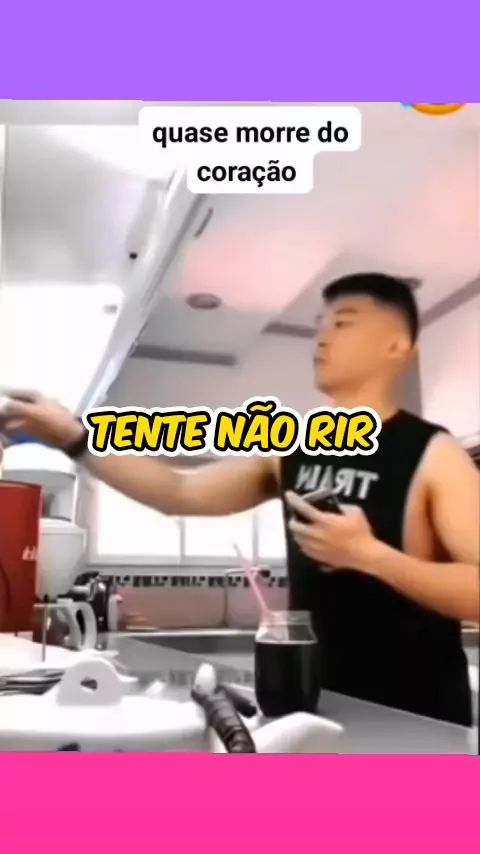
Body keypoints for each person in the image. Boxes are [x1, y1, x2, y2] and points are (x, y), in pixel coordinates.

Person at [1, 272, 478, 726]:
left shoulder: (435, 454)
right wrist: (73, 438)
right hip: (319, 709)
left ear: (396, 346)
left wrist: (370, 555)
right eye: (321, 324)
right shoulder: (296, 448)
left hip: (421, 719)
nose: (323, 337)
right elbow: (179, 491)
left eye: (344, 323)